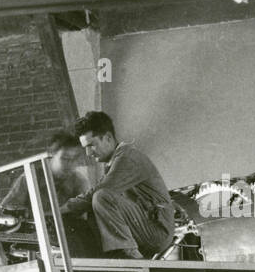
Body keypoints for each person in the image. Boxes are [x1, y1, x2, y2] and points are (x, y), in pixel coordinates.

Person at [60, 111, 176, 259]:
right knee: (94, 205)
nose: (88, 153)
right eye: (85, 148)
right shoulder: (115, 161)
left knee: (101, 197)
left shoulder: (127, 157)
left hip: (157, 231)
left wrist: (62, 209)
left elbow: (100, 191)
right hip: (146, 227)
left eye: (91, 145)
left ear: (108, 138)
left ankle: (129, 256)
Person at [1, 130, 87, 214]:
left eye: (75, 159)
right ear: (51, 154)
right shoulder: (30, 178)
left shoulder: (79, 181)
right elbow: (6, 208)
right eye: (65, 158)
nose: (70, 164)